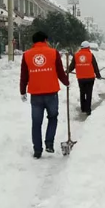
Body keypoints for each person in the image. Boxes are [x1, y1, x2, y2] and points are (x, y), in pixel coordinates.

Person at [20, 31, 70, 159]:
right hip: (51, 93)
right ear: (45, 40)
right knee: (52, 118)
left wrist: (22, 91)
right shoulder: (53, 53)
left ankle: (37, 150)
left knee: (36, 123)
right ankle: (49, 143)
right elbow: (60, 71)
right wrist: (66, 82)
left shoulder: (26, 55)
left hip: (35, 94)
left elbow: (24, 76)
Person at [68, 41, 102, 116]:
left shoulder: (76, 55)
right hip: (90, 78)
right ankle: (88, 110)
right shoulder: (90, 55)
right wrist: (98, 75)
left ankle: (83, 108)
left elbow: (72, 66)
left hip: (80, 78)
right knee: (89, 93)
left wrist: (67, 71)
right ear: (88, 47)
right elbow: (95, 66)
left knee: (82, 92)